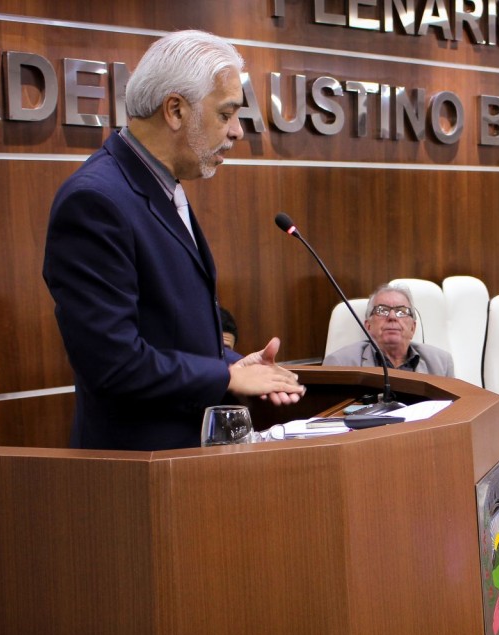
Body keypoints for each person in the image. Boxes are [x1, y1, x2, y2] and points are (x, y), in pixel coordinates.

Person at [43, 30, 304, 451]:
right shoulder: (96, 201)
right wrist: (225, 376)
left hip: (183, 466)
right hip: (137, 473)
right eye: (226, 114)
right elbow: (113, 364)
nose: (238, 131)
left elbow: (170, 331)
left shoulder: (161, 184)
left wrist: (235, 363)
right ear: (176, 110)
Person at [322, 283, 454, 376]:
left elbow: (453, 414)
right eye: (382, 310)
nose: (392, 317)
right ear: (368, 326)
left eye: (401, 311)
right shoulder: (339, 364)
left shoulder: (441, 364)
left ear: (413, 328)